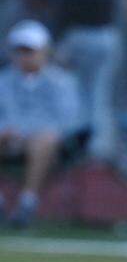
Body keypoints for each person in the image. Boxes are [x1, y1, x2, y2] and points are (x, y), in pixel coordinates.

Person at [27, 0, 122, 158]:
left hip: (86, 38)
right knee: (95, 92)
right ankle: (94, 144)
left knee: (83, 91)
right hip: (105, 37)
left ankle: (89, 144)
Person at [0, 21, 84, 227]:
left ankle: (27, 202)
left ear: (44, 51)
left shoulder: (62, 82)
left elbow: (68, 120)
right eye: (19, 50)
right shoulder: (4, 80)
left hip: (49, 144)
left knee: (44, 139)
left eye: (29, 51)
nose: (24, 56)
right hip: (10, 139)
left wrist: (27, 133)